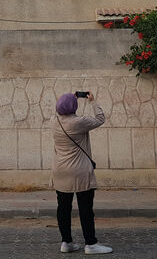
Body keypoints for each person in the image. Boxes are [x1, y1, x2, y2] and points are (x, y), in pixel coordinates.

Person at [51, 91, 113, 254]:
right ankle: (91, 244)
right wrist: (92, 101)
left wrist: (70, 97)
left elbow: (61, 108)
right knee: (85, 208)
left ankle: (66, 242)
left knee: (63, 208)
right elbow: (100, 119)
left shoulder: (53, 121)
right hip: (79, 171)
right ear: (74, 106)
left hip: (60, 171)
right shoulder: (79, 122)